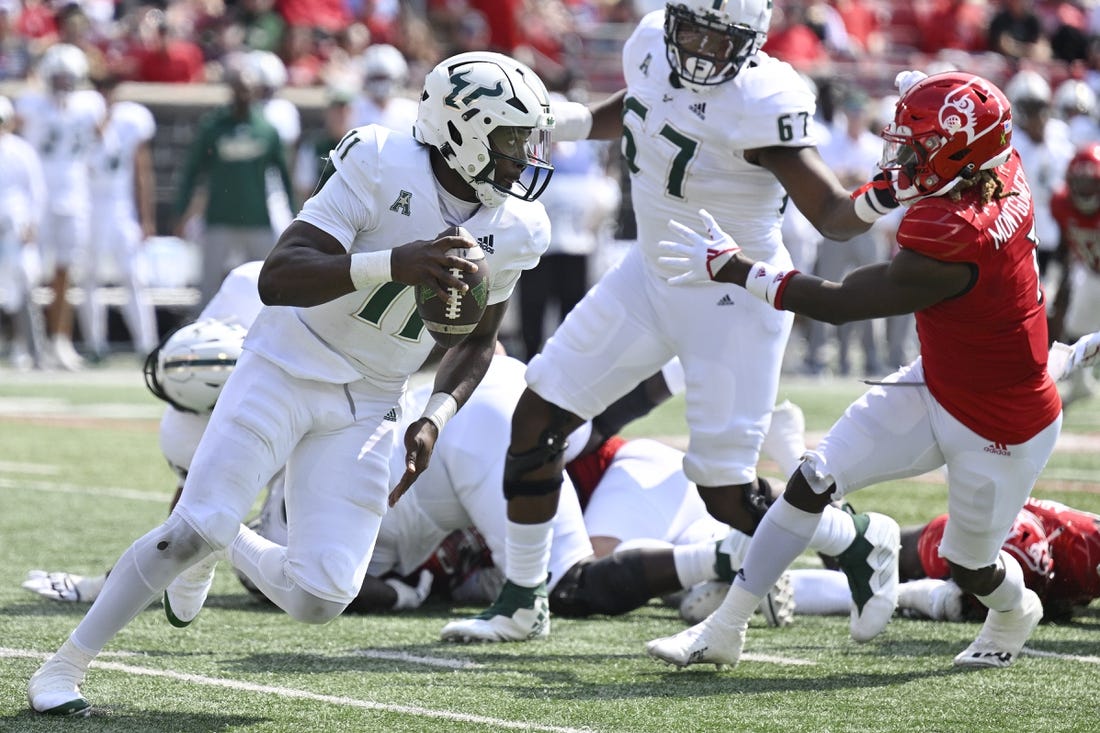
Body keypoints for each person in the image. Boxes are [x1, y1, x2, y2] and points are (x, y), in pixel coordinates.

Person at [27, 50, 556, 717]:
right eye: (512, 139)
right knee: (196, 522)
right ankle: (64, 665)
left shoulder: (519, 226)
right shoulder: (379, 160)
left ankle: (226, 542)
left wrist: (436, 416)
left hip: (373, 398)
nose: (526, 156)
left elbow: (480, 340)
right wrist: (395, 263)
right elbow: (280, 275)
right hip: (290, 360)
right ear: (464, 129)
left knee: (323, 594)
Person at [442, 0, 901, 645]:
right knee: (538, 418)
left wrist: (888, 193)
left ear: (752, 43)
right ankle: (523, 599)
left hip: (732, 295)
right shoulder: (651, 44)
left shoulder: (765, 97)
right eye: (693, 31)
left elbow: (828, 212)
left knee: (724, 492)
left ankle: (856, 538)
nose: (702, 52)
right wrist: (569, 123)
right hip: (649, 276)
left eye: (721, 40)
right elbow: (642, 111)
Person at [647, 69, 1063, 670]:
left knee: (969, 566)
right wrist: (931, 100)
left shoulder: (952, 231)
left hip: (1000, 422)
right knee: (812, 479)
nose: (902, 156)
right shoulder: (997, 163)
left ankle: (1017, 607)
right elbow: (970, 128)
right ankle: (726, 625)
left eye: (918, 147)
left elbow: (841, 304)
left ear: (959, 154)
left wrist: (737, 270)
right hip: (939, 380)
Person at [22, 260, 265, 604]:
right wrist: (112, 584)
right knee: (283, 571)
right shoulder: (185, 430)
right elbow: (186, 515)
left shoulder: (251, 286)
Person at [173, 54, 293, 313]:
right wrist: (182, 211)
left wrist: (295, 212)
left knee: (265, 282)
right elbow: (193, 170)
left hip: (256, 217)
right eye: (239, 89)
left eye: (248, 89)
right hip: (219, 216)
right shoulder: (213, 127)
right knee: (209, 283)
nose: (244, 95)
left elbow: (283, 174)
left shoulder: (266, 129)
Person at [14, 42, 105, 370]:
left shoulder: (90, 104)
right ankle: (25, 340)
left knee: (67, 270)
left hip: (76, 194)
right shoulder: (31, 103)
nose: (63, 84)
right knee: (28, 270)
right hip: (38, 196)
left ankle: (60, 338)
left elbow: (99, 139)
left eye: (69, 78)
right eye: (58, 77)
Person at [76, 73, 159, 362]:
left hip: (121, 206)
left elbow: (141, 170)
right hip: (88, 206)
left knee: (134, 275)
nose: (105, 93)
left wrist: (145, 216)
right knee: (89, 278)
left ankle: (146, 344)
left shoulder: (131, 119)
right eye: (100, 86)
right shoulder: (79, 117)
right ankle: (95, 344)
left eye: (109, 86)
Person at [1049, 143, 1100, 407]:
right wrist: (1056, 278)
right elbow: (1064, 244)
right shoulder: (1061, 203)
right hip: (1091, 272)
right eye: (1079, 182)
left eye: (1091, 183)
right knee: (1079, 328)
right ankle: (1081, 384)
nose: (1084, 189)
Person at [0, 93, 48, 370]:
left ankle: (32, 349)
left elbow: (36, 191)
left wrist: (32, 224)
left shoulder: (21, 151)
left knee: (25, 288)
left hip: (16, 233)